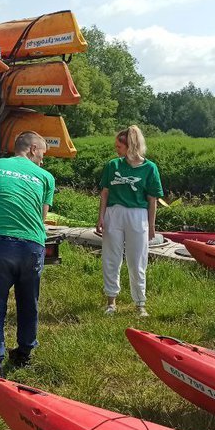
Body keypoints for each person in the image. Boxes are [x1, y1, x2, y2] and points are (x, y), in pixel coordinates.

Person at [0, 132, 55, 377]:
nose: (43, 160)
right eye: (43, 154)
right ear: (33, 148)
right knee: (28, 303)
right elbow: (41, 217)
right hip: (31, 245)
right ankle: (24, 353)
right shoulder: (46, 177)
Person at [94, 126, 163, 317]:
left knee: (137, 260)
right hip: (114, 213)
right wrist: (101, 217)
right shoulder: (113, 165)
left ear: (131, 146)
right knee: (111, 257)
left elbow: (152, 199)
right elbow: (105, 193)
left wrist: (151, 226)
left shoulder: (149, 168)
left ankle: (140, 303)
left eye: (119, 146)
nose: (116, 149)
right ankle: (111, 302)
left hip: (138, 215)